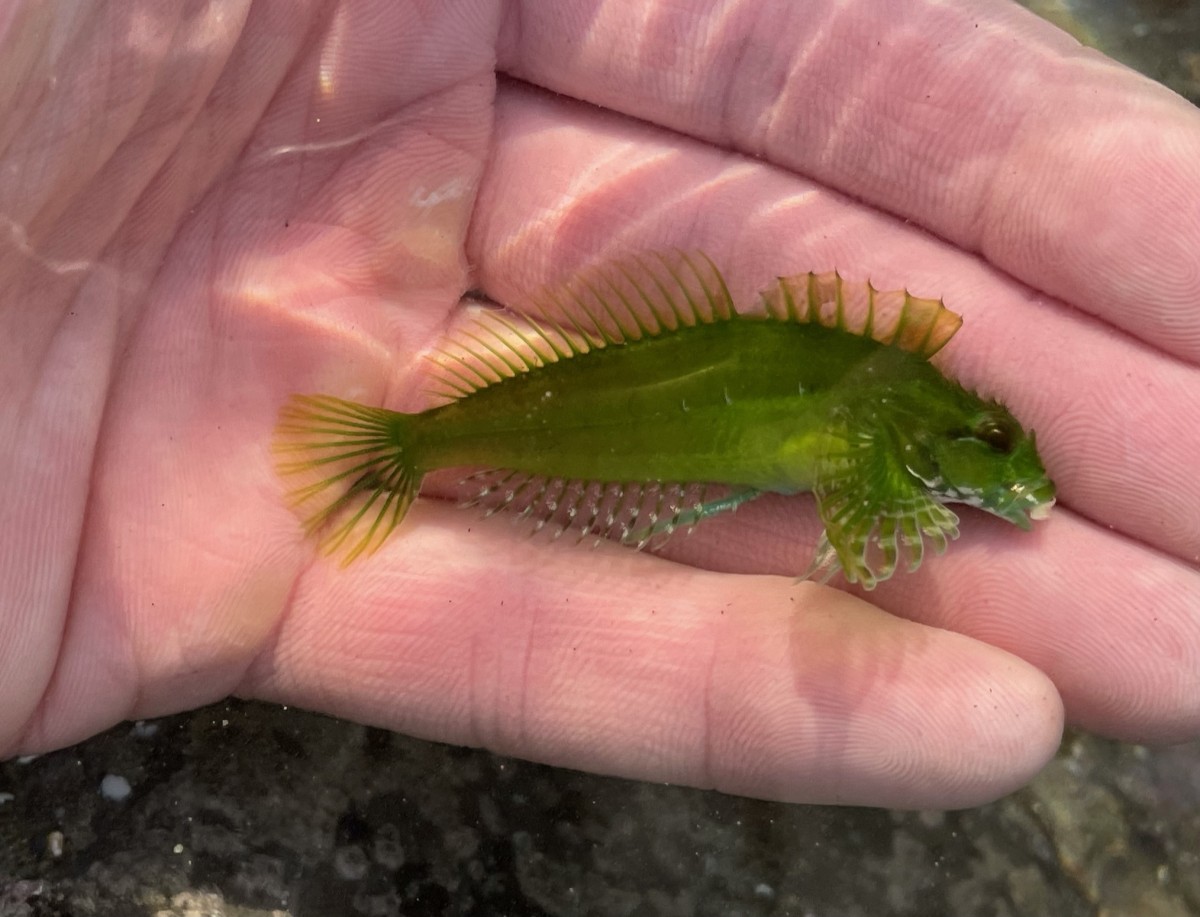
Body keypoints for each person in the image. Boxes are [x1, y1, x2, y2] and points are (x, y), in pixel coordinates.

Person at [2, 0, 1197, 810]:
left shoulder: (898, 417)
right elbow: (864, 491)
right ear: (954, 431)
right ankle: (413, 448)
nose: (1007, 459)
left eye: (1007, 448)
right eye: (996, 438)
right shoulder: (889, 428)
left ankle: (421, 450)